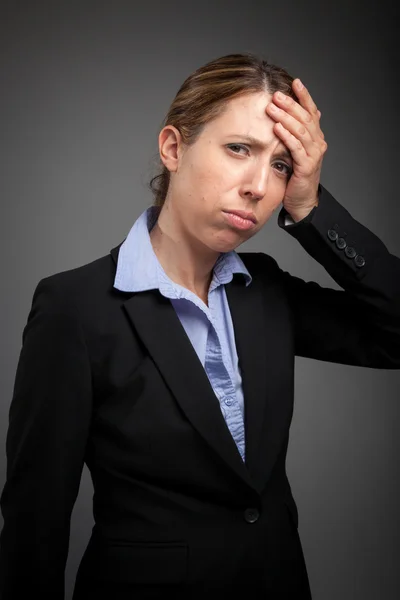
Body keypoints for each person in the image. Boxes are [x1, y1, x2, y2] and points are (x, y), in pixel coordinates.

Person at [0, 52, 399, 600]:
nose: (259, 185)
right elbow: (33, 522)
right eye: (240, 149)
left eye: (282, 165)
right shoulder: (76, 307)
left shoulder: (264, 290)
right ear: (174, 148)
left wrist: (310, 208)